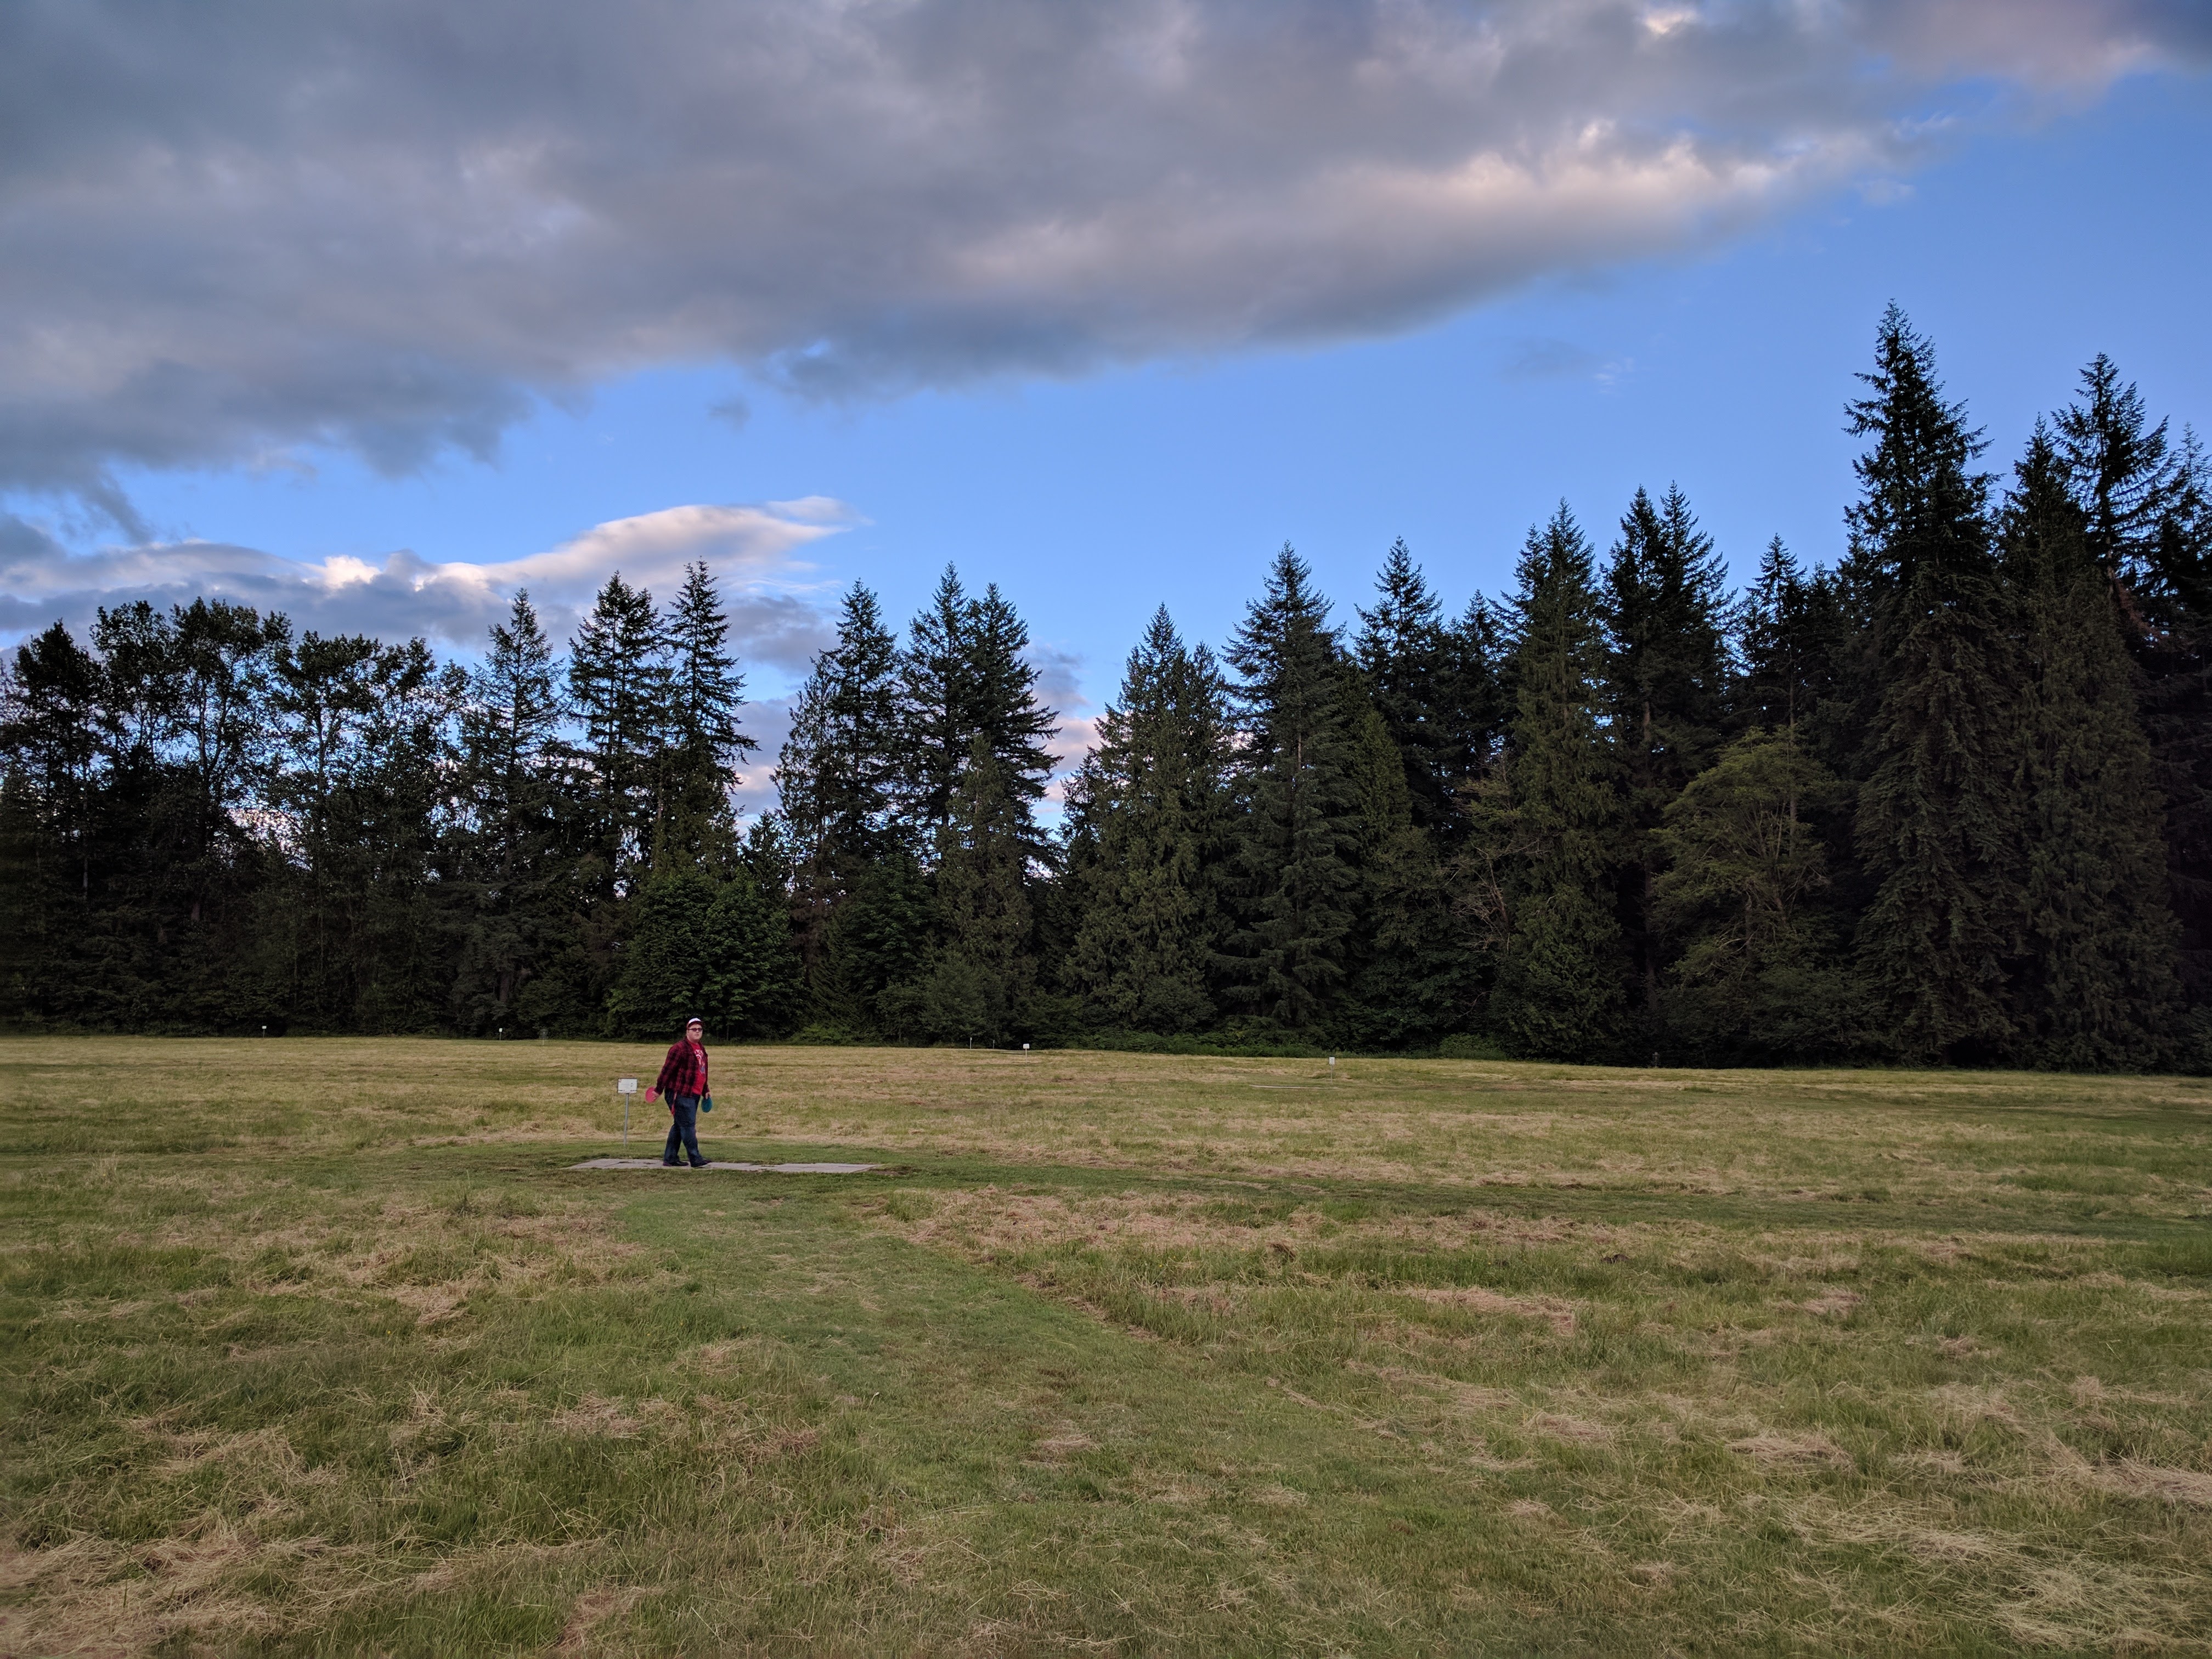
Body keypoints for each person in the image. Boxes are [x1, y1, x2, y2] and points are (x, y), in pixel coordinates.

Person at [647, 1017, 712, 1168]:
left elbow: (701, 1071)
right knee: (688, 1125)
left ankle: (670, 1158)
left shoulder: (700, 1048)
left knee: (679, 1125)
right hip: (680, 1093)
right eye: (694, 1029)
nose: (697, 1032)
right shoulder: (679, 1048)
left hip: (694, 1093)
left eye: (700, 1029)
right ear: (687, 1031)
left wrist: (705, 1090)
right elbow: (667, 1071)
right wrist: (658, 1090)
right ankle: (695, 1159)